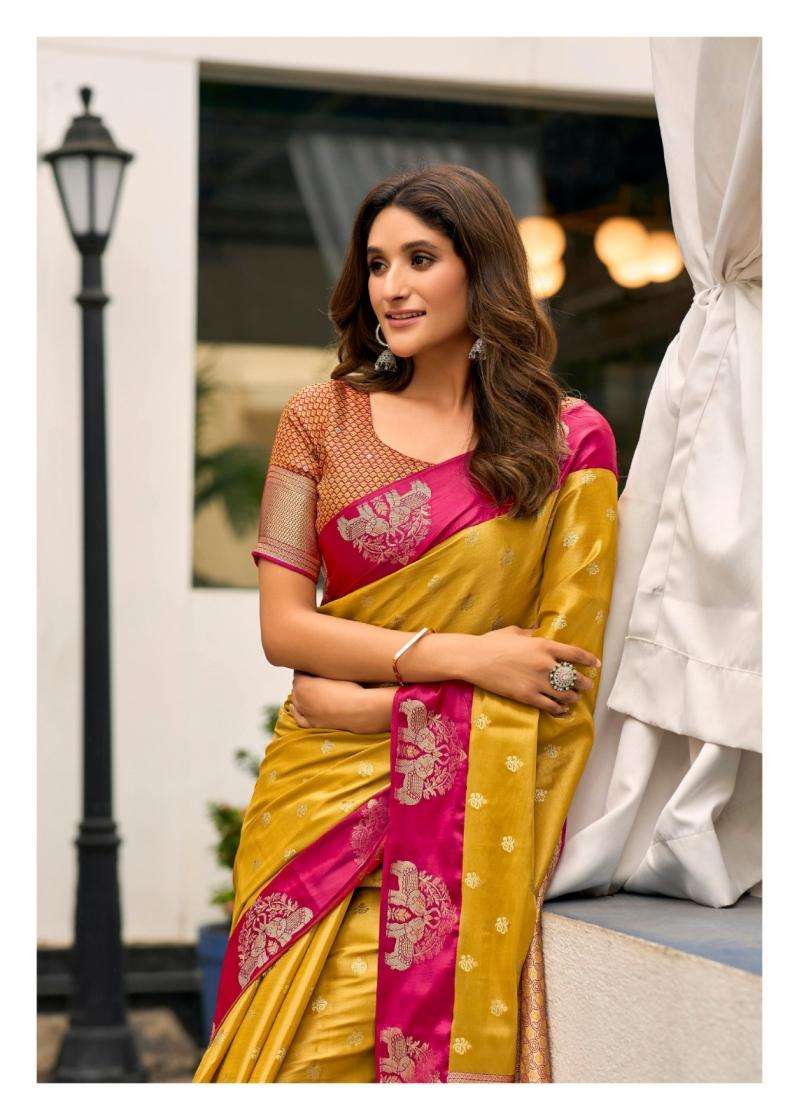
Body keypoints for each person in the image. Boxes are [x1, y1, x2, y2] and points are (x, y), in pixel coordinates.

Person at [193, 163, 618, 1084]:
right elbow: (284, 631)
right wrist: (463, 661)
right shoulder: (317, 420)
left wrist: (364, 706)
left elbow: (560, 675)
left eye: (420, 259)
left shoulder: (568, 443)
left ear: (481, 270)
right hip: (315, 804)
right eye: (377, 263)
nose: (391, 286)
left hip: (463, 824)